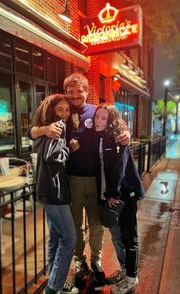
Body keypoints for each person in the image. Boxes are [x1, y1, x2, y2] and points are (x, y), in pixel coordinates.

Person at [28, 73, 131, 291]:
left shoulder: (96, 112)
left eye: (79, 91)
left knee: (96, 225)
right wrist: (43, 129)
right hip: (71, 180)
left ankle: (95, 261)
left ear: (87, 90)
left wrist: (127, 134)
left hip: (96, 180)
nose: (75, 96)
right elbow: (32, 131)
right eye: (70, 91)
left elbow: (117, 126)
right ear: (66, 93)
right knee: (73, 226)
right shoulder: (63, 113)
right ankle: (79, 262)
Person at [93, 104, 145, 294]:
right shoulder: (99, 137)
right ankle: (125, 271)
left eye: (104, 118)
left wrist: (113, 193)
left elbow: (120, 168)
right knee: (116, 238)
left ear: (111, 121)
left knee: (129, 237)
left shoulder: (117, 138)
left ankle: (131, 278)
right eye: (97, 116)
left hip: (124, 195)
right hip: (110, 197)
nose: (99, 121)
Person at [34, 94, 78, 294]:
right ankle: (54, 287)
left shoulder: (46, 128)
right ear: (51, 110)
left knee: (55, 238)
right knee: (69, 238)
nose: (64, 114)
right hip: (54, 192)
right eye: (60, 109)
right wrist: (69, 148)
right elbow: (52, 156)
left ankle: (55, 281)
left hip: (48, 190)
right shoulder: (57, 127)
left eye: (67, 110)